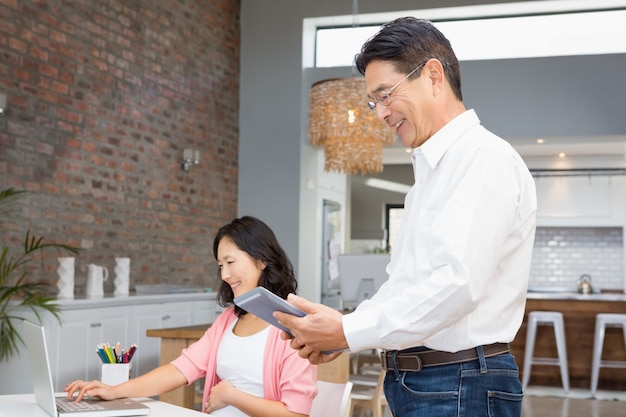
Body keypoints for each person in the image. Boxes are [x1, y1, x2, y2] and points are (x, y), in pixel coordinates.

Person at [275, 17, 537, 417]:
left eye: (385, 95)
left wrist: (348, 330)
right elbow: (404, 288)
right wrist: (344, 332)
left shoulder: (484, 159)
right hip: (424, 383)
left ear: (433, 75)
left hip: (460, 382)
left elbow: (456, 284)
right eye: (373, 102)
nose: (380, 113)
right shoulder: (426, 182)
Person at [65, 216, 318, 417]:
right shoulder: (229, 319)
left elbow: (295, 414)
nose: (224, 275)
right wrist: (114, 391)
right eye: (220, 265)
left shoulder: (293, 325)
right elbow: (180, 369)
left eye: (230, 262)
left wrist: (232, 396)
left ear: (262, 260)